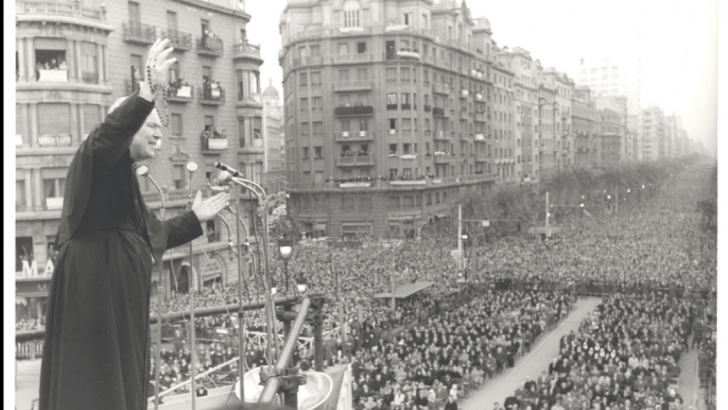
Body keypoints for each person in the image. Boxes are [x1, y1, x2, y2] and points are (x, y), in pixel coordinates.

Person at [38, 39, 231, 410]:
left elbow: (151, 235)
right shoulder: (99, 159)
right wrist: (145, 93)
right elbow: (106, 138)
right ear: (128, 126)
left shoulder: (124, 178)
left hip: (114, 300)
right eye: (152, 124)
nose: (160, 133)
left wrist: (196, 218)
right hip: (96, 298)